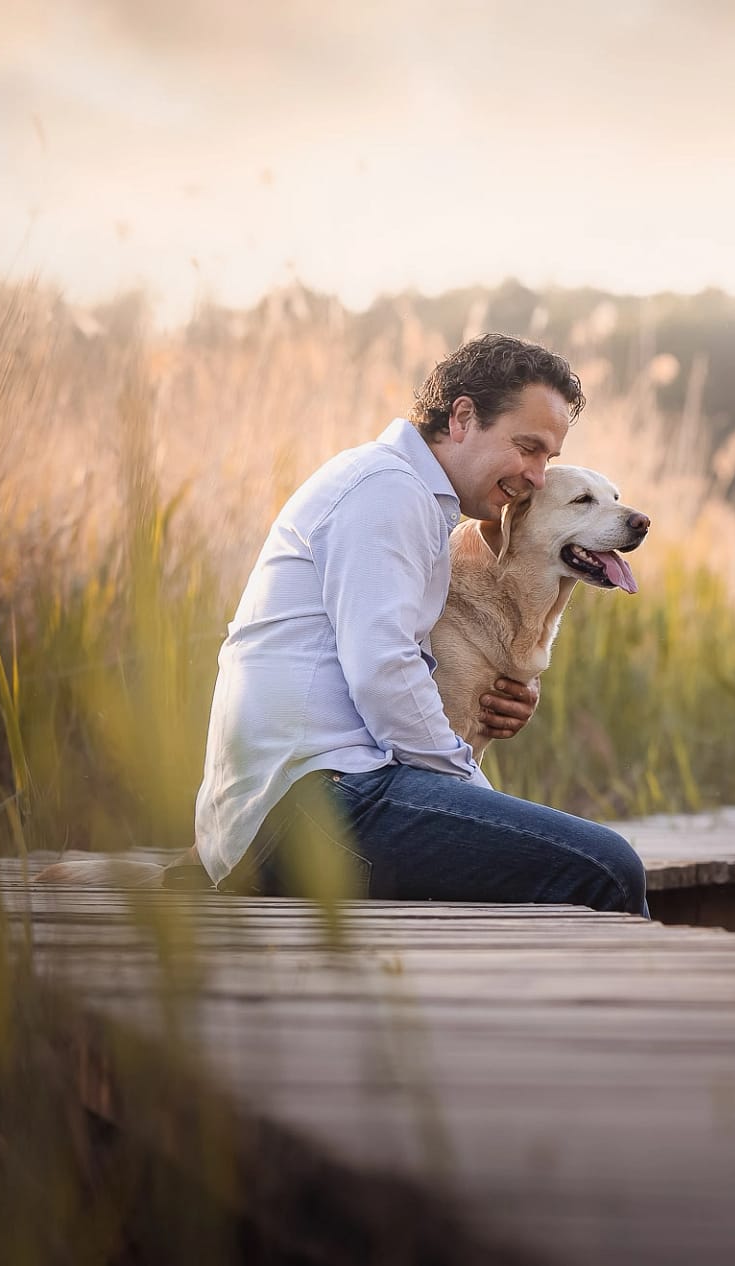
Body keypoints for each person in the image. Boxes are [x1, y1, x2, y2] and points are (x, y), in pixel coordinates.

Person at [186, 334, 647, 914]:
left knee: (563, 862)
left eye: (547, 459)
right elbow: (384, 672)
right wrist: (472, 794)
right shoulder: (386, 491)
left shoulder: (408, 496)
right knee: (607, 868)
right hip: (313, 806)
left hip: (316, 798)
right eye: (527, 448)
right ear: (462, 417)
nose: (535, 476)